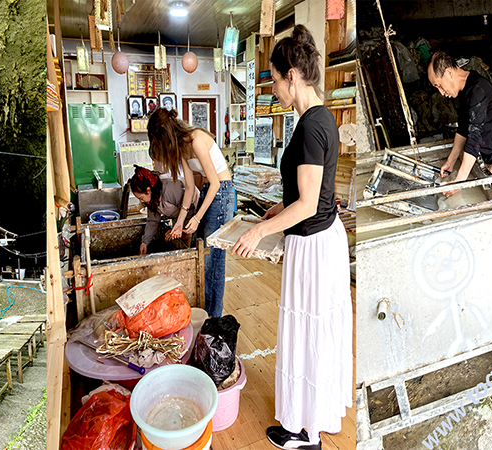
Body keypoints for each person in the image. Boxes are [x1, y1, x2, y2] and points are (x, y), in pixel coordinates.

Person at [231, 25, 351, 450]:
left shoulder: (310, 128)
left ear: (293, 76)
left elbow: (309, 202)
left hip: (314, 246)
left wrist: (260, 230)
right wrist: (278, 209)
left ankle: (307, 434)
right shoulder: (318, 120)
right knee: (315, 331)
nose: (275, 88)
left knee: (309, 333)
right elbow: (310, 196)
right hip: (322, 238)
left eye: (276, 80)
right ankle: (314, 419)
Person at [147, 107, 233, 318]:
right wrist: (180, 221)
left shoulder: (195, 140)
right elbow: (188, 186)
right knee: (199, 251)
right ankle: (203, 311)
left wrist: (196, 217)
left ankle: (213, 318)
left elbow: (215, 183)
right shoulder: (182, 147)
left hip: (221, 193)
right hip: (208, 192)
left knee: (212, 260)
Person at [427, 50, 492, 197]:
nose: (441, 93)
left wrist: (459, 182)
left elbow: (474, 137)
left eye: (439, 85)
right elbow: (464, 128)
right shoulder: (465, 89)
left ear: (449, 72)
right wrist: (451, 161)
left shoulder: (477, 90)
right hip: (490, 157)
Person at [128, 165, 200, 255]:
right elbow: (153, 221)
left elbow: (190, 210)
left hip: (196, 216)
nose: (141, 201)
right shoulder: (152, 198)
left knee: (191, 248)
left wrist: (175, 229)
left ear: (148, 190)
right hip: (180, 219)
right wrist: (144, 242)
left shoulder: (170, 188)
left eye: (141, 198)